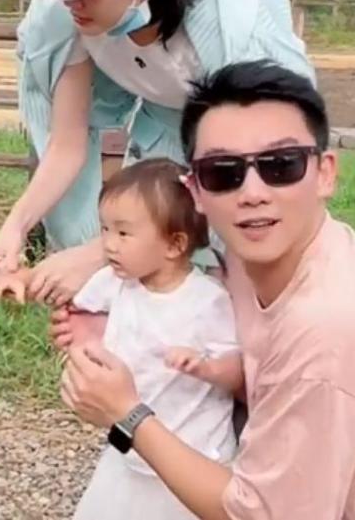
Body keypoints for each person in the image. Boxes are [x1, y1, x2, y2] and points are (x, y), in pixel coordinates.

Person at [55, 61, 355, 519]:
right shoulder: (258, 255)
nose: (253, 191)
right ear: (196, 190)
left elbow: (254, 513)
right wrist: (119, 320)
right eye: (224, 172)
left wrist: (127, 414)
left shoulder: (329, 326)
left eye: (281, 165)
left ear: (325, 172)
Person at [0, 0, 314, 307]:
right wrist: (14, 227)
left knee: (238, 271)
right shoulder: (69, 16)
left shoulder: (229, 36)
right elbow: (67, 145)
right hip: (168, 117)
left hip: (244, 140)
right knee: (153, 269)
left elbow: (238, 165)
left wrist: (98, 254)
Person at [55, 158, 242, 520]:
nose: (109, 245)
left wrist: (207, 368)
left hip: (193, 452)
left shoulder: (207, 300)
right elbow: (76, 309)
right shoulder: (116, 282)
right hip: (127, 446)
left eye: (123, 233)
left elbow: (239, 371)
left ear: (174, 244)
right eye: (105, 229)